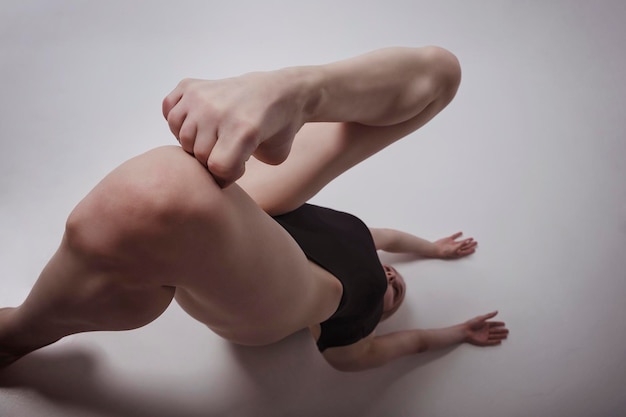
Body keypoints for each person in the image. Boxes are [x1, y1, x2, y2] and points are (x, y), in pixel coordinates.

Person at [0, 46, 508, 371]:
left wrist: (458, 333)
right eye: (397, 280)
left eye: (394, 300)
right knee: (440, 75)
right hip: (275, 223)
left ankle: (19, 332)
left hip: (288, 299)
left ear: (379, 315)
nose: (395, 285)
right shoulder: (364, 240)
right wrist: (435, 250)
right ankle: (298, 91)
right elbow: (393, 238)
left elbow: (403, 346)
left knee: (158, 197)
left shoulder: (349, 329)